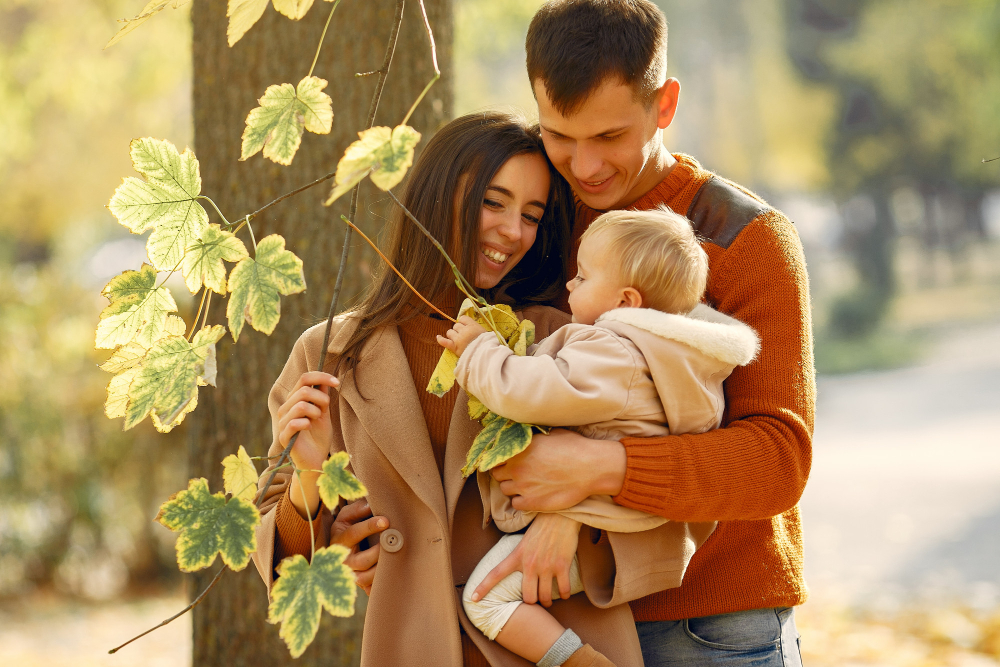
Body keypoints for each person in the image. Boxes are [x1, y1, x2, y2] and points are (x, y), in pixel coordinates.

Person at [465, 2, 816, 666]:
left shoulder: (746, 238)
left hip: (710, 623)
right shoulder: (532, 219)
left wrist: (598, 472)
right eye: (559, 135)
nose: (585, 164)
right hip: (556, 615)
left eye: (610, 135)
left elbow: (777, 458)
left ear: (665, 104)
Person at [252, 111, 661, 667]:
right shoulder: (330, 352)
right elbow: (281, 562)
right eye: (493, 203)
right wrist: (309, 483)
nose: (513, 232)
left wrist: (574, 524)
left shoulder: (560, 337)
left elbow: (654, 470)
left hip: (563, 645)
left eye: (532, 215)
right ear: (437, 195)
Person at [438, 207, 760, 667]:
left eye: (583, 278)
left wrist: (478, 351)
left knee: (485, 601)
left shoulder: (616, 352)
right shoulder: (672, 356)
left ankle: (580, 663)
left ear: (626, 302)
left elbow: (530, 392)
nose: (570, 285)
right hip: (619, 522)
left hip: (596, 523)